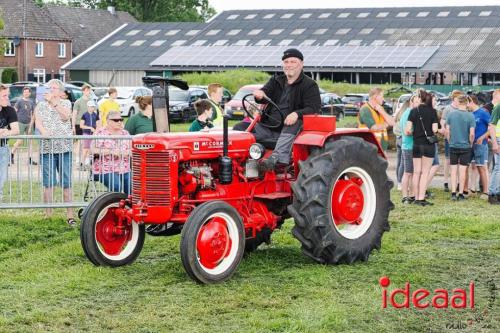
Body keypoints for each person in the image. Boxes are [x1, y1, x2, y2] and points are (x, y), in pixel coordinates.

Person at [253, 48, 321, 171]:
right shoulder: (276, 80)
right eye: (286, 62)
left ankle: (278, 159)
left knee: (293, 123)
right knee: (240, 128)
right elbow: (264, 94)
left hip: (291, 127)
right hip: (269, 125)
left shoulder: (309, 85)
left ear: (301, 64)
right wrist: (259, 94)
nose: (289, 65)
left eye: (293, 62)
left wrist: (296, 113)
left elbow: (314, 108)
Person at [34, 79, 75, 226]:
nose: (51, 90)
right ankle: (48, 214)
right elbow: (38, 122)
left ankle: (70, 216)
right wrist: (44, 132)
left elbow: (66, 117)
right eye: (50, 88)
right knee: (48, 183)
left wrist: (54, 103)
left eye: (55, 88)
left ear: (60, 91)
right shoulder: (40, 105)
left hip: (64, 148)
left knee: (66, 183)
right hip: (47, 149)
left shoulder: (66, 103)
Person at [405, 89, 438, 206]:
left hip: (416, 144)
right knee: (425, 172)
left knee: (416, 172)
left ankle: (414, 196)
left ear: (420, 99)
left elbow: (407, 130)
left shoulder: (413, 111)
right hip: (428, 145)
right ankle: (421, 198)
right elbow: (434, 130)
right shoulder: (433, 112)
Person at [92, 111, 131, 195]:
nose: (119, 122)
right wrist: (110, 152)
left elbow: (132, 150)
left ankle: (128, 207)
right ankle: (114, 206)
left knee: (133, 187)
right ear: (108, 121)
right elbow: (93, 150)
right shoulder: (100, 133)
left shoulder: (125, 133)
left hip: (124, 168)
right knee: (116, 186)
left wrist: (125, 153)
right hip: (105, 169)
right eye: (116, 120)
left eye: (121, 119)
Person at [446, 95, 475, 201]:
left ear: (458, 102)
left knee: (453, 170)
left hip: (453, 145)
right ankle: (461, 193)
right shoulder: (470, 116)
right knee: (463, 171)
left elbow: (447, 131)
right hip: (465, 146)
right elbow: (472, 134)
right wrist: (471, 143)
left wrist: (449, 141)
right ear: (467, 103)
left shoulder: (451, 114)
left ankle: (453, 192)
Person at [440, 90, 464, 192]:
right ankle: (446, 182)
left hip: (459, 138)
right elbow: (442, 121)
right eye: (459, 98)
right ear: (454, 99)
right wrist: (444, 129)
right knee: (448, 160)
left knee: (459, 162)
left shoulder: (462, 108)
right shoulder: (448, 109)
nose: (461, 100)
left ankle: (458, 182)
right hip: (449, 138)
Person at [0, 84, 20, 202]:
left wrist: (6, 132)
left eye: (8, 95)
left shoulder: (10, 110)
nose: (7, 98)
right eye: (4, 95)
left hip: (3, 148)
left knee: (2, 178)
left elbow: (16, 130)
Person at [468, 95, 490, 199]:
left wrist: (483, 137)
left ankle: (486, 191)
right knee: (473, 166)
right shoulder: (470, 114)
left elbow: (491, 128)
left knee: (482, 167)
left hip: (481, 144)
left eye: (467, 102)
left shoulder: (483, 113)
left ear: (471, 101)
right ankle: (473, 189)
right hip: (472, 144)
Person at [12, 86, 36, 165]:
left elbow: (33, 113)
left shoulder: (31, 102)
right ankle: (11, 154)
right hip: (20, 123)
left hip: (29, 123)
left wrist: (31, 124)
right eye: (25, 92)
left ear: (29, 93)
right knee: (20, 140)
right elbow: (14, 111)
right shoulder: (19, 101)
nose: (26, 93)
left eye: (27, 92)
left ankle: (30, 159)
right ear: (23, 93)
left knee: (30, 141)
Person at [399, 97, 416, 204]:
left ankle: (411, 195)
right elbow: (407, 131)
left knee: (412, 173)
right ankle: (405, 196)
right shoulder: (409, 114)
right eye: (417, 102)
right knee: (408, 172)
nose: (419, 104)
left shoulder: (409, 113)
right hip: (408, 146)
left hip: (410, 146)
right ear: (411, 102)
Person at [487, 89, 500, 204]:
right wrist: (495, 143)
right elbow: (491, 126)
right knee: (498, 168)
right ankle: (492, 193)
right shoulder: (498, 107)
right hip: (499, 140)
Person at [80, 100, 100, 166]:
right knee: (85, 148)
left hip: (93, 134)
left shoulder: (96, 115)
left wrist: (96, 132)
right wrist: (90, 128)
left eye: (93, 107)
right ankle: (82, 163)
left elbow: (98, 125)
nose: (92, 108)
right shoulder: (84, 115)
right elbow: (81, 125)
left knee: (92, 149)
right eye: (91, 107)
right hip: (86, 134)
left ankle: (90, 163)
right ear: (88, 107)